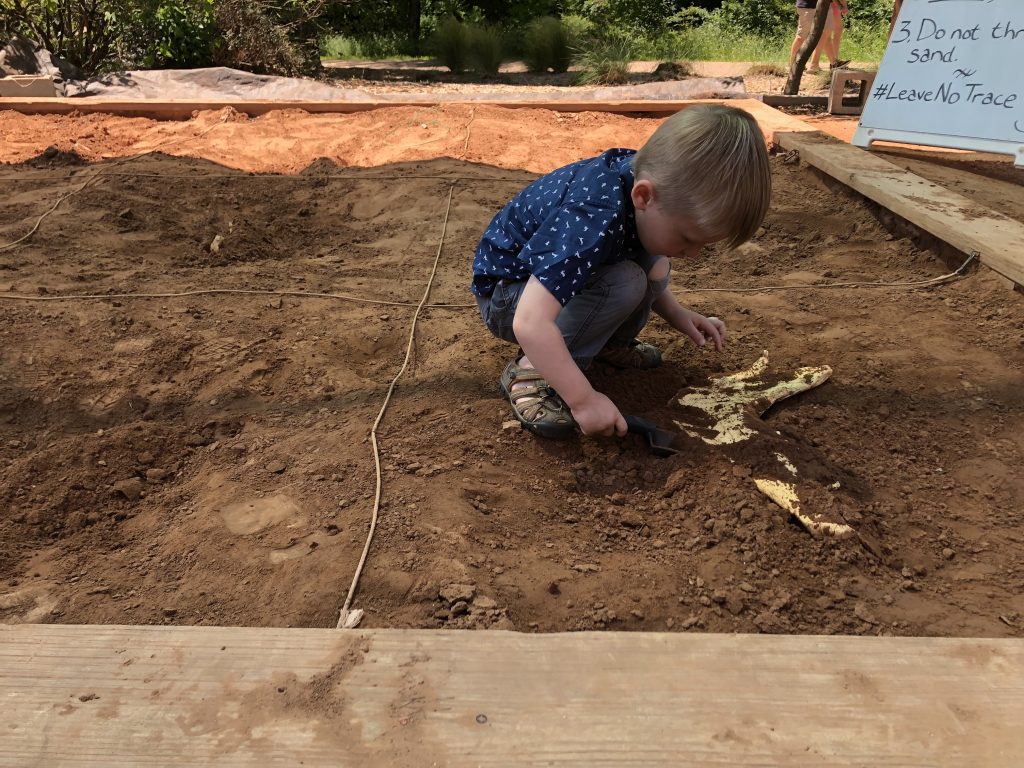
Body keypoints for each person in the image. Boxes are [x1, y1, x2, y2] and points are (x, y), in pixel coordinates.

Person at [471, 104, 772, 440]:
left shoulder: (647, 183)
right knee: (624, 282)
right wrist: (584, 400)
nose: (693, 254)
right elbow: (529, 322)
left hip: (547, 285)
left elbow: (647, 257)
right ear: (643, 195)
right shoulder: (592, 215)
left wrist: (676, 313)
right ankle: (530, 371)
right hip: (508, 294)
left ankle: (608, 344)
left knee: (655, 261)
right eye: (688, 238)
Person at [791, 0, 849, 73]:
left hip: (823, 6)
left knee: (826, 33)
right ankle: (796, 64)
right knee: (802, 36)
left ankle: (833, 63)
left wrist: (839, 5)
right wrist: (841, 5)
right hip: (808, 6)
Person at [809, 0, 850, 73]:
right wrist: (844, 6)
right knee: (827, 34)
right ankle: (831, 62)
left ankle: (834, 62)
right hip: (831, 5)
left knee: (829, 34)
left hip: (831, 5)